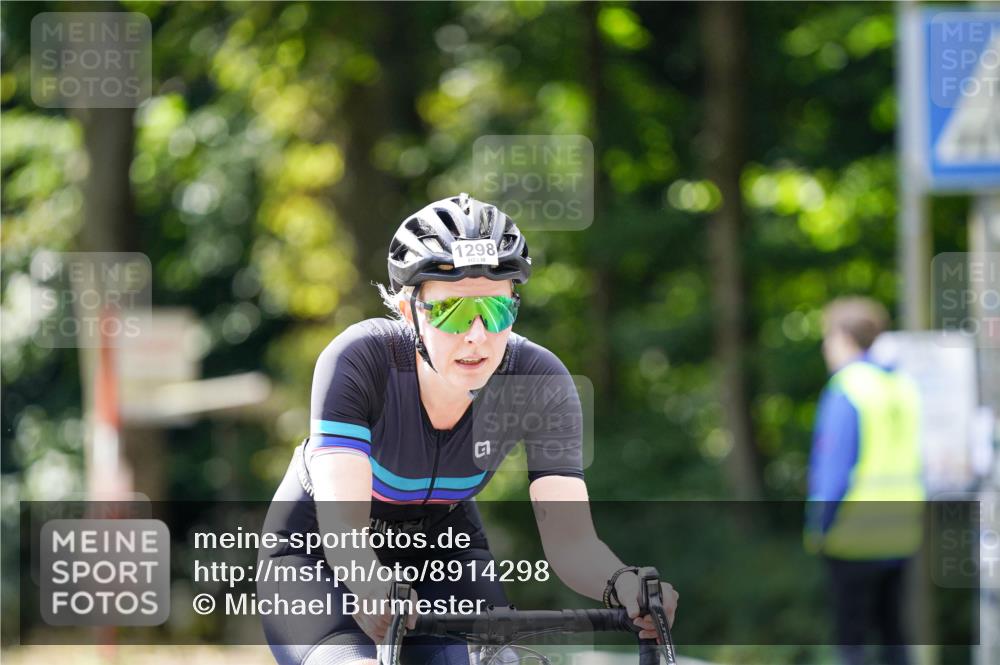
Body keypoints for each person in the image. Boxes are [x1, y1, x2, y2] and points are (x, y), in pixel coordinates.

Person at [259, 194, 678, 665]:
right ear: (407, 309)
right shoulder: (359, 360)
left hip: (446, 544)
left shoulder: (537, 380)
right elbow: (343, 528)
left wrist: (621, 582)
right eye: (453, 312)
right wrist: (370, 584)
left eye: (496, 311)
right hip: (319, 554)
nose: (477, 335)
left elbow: (571, 540)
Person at [805, 297, 925, 665]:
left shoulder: (849, 387)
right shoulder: (901, 386)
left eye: (828, 337)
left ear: (843, 337)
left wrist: (818, 528)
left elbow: (833, 472)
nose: (826, 347)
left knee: (851, 638)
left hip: (854, 533)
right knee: (894, 633)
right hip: (901, 530)